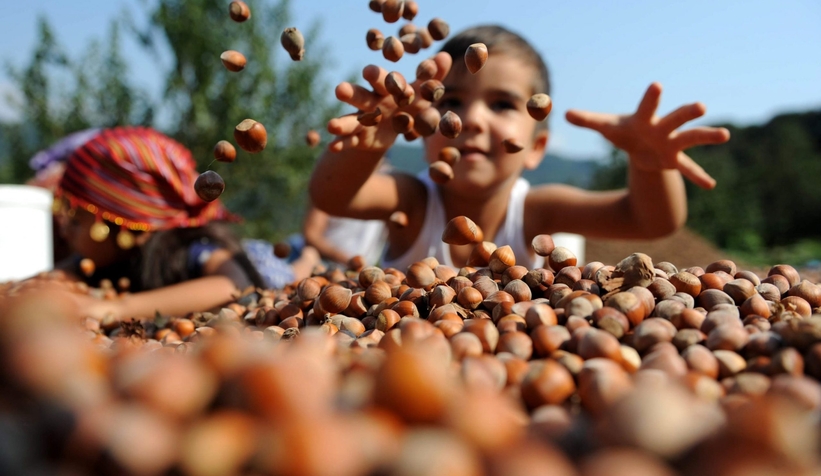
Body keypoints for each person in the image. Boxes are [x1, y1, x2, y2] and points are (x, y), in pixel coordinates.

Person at [308, 25, 730, 271]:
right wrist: (368, 143)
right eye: (451, 102)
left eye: (502, 104)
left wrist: (649, 166)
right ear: (419, 128)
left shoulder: (538, 212)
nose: (472, 119)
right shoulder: (414, 201)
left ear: (536, 147)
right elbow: (332, 196)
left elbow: (650, 221)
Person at [43, 126, 316, 320]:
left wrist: (116, 308)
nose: (63, 227)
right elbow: (67, 273)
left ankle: (310, 253)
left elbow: (232, 284)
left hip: (259, 262)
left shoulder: (187, 250)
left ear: (125, 223)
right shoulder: (103, 258)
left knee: (296, 270)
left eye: (76, 220)